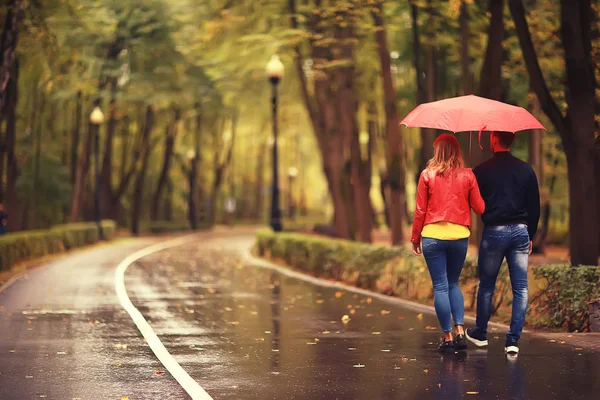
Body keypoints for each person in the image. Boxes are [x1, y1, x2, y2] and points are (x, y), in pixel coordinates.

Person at [466, 131, 540, 356]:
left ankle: (480, 333)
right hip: (520, 231)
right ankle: (513, 340)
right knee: (521, 288)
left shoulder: (482, 170)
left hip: (494, 232)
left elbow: (472, 200)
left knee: (487, 285)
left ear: (495, 140)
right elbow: (535, 206)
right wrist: (531, 235)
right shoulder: (526, 170)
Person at [412, 134, 485, 352]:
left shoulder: (427, 175)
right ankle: (461, 329)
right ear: (457, 151)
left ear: (437, 151)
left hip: (433, 236)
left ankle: (448, 336)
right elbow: (480, 208)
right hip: (459, 237)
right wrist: (472, 182)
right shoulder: (468, 175)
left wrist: (416, 237)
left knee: (441, 286)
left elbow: (420, 211)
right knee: (453, 283)